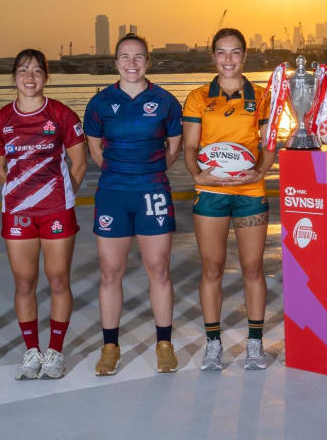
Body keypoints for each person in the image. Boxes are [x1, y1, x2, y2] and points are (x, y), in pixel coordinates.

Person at [84, 33, 183, 375]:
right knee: (111, 272)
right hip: (113, 192)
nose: (131, 63)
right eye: (125, 57)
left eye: (138, 57)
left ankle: (164, 344)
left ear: (148, 62)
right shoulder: (99, 103)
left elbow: (172, 150)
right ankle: (110, 346)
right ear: (115, 63)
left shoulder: (166, 101)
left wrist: (146, 172)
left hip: (152, 190)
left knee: (159, 269)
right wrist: (123, 172)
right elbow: (96, 151)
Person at [0, 49, 86, 379]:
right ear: (14, 77)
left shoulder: (61, 114)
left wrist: (60, 194)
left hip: (57, 210)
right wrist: (24, 194)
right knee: (24, 282)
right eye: (23, 70)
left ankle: (55, 351)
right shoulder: (1, 120)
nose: (30, 77)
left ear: (46, 77)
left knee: (58, 280)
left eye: (37, 71)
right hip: (17, 213)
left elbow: (79, 162)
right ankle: (31, 351)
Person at [182, 28, 274, 371]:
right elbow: (191, 148)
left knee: (252, 267)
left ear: (245, 56)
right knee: (212, 267)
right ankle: (213, 344)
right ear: (213, 57)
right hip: (211, 192)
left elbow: (268, 144)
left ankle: (254, 343)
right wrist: (197, 175)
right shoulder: (197, 97)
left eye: (235, 53)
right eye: (221, 53)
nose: (228, 60)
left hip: (250, 192)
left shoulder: (262, 97)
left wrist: (260, 172)